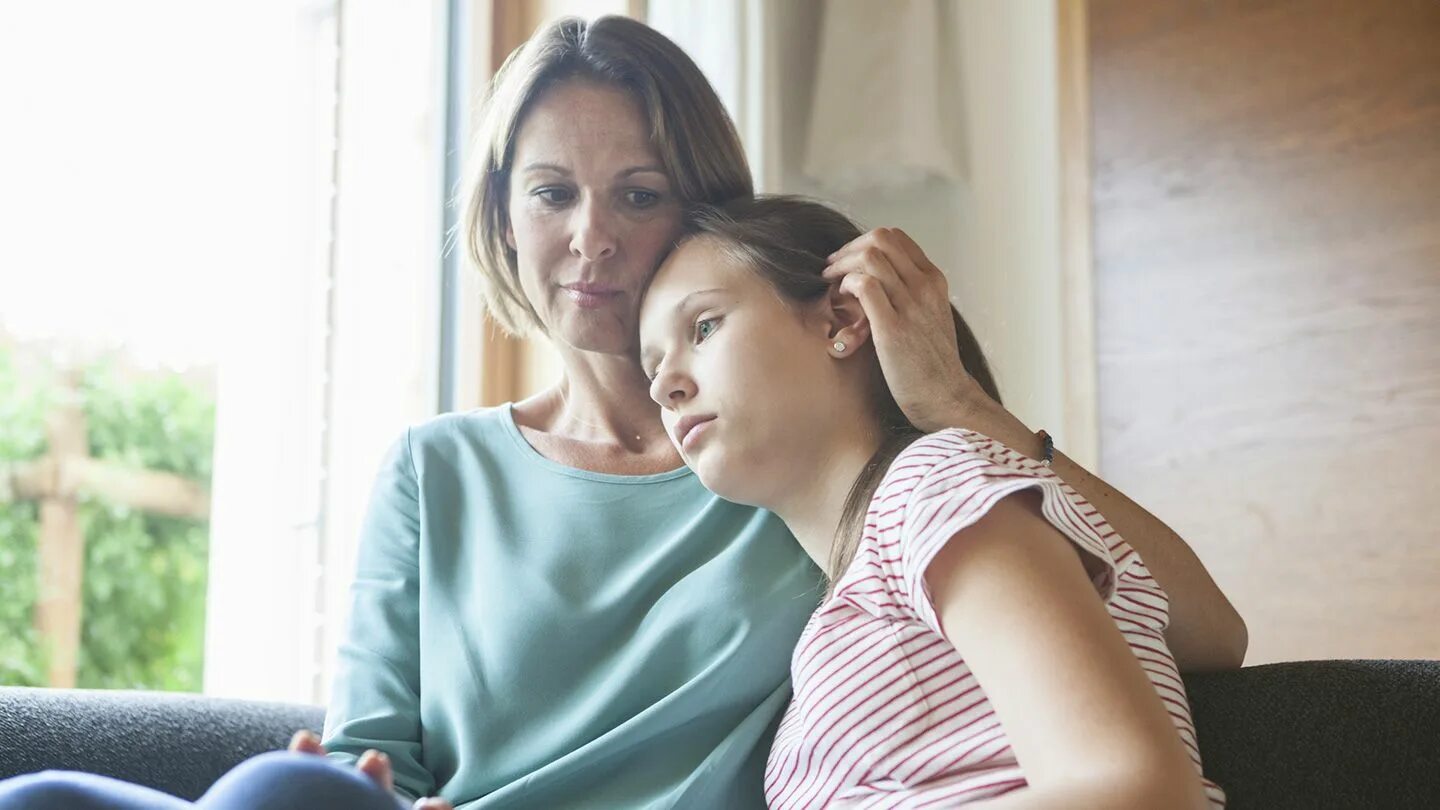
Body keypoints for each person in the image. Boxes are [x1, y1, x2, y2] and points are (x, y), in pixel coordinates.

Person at [0, 15, 1243, 810]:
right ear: (503, 215)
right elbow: (379, 761)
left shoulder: (791, 465)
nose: (590, 239)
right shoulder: (437, 473)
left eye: (638, 193)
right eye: (551, 193)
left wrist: (960, 402)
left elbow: (1185, 633)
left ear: (704, 212)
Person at [636, 195, 1227, 808]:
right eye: (651, 368)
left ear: (840, 319)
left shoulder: (933, 488)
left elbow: (1141, 790)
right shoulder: (869, 587)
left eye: (702, 328)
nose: (665, 386)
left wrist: (959, 403)